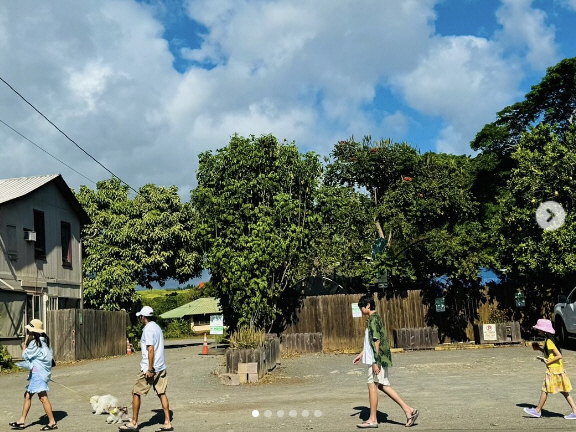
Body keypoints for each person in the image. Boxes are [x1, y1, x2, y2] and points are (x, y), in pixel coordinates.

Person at [353, 294, 419, 428]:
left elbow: (376, 342)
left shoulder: (373, 320)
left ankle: (373, 419)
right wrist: (362, 354)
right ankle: (408, 410)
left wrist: (375, 362)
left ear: (368, 306)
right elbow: (371, 342)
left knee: (372, 386)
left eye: (362, 307)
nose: (361, 310)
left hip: (377, 359)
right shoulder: (375, 319)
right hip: (377, 358)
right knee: (382, 385)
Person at [119, 306, 173, 432]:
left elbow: (151, 349)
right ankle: (167, 422)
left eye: (140, 316)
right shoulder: (157, 327)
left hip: (151, 368)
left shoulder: (148, 329)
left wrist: (150, 369)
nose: (140, 318)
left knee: (136, 392)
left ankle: (134, 423)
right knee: (162, 393)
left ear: (143, 317)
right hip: (161, 366)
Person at [9, 319, 58, 430]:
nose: (28, 332)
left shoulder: (35, 343)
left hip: (38, 374)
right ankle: (22, 420)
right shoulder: (44, 341)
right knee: (28, 395)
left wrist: (25, 342)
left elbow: (25, 355)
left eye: (29, 330)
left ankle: (52, 422)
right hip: (41, 373)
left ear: (32, 331)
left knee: (43, 398)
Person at [523, 318, 576, 419]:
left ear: (543, 330)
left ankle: (537, 410)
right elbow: (551, 354)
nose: (538, 331)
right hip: (558, 369)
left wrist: (547, 362)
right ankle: (575, 411)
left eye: (539, 329)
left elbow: (559, 356)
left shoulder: (549, 341)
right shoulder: (550, 340)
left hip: (554, 370)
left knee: (545, 390)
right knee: (564, 391)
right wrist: (539, 349)